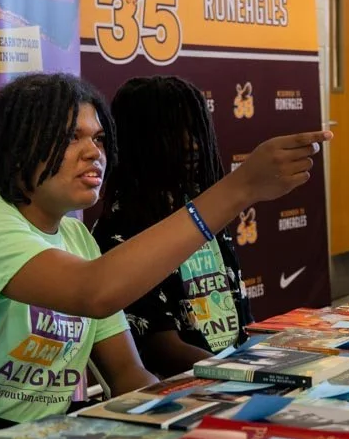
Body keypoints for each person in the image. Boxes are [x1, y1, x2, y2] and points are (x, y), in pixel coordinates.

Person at [0, 73, 330, 439]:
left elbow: (128, 375)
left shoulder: (77, 237)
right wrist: (239, 189)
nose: (93, 153)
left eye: (99, 139)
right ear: (16, 148)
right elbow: (92, 291)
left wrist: (201, 426)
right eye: (70, 137)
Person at [94, 76, 252, 378]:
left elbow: (240, 318)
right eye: (171, 132)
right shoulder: (121, 228)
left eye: (196, 129)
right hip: (183, 389)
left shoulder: (205, 208)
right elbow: (159, 348)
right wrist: (238, 374)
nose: (191, 143)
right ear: (138, 140)